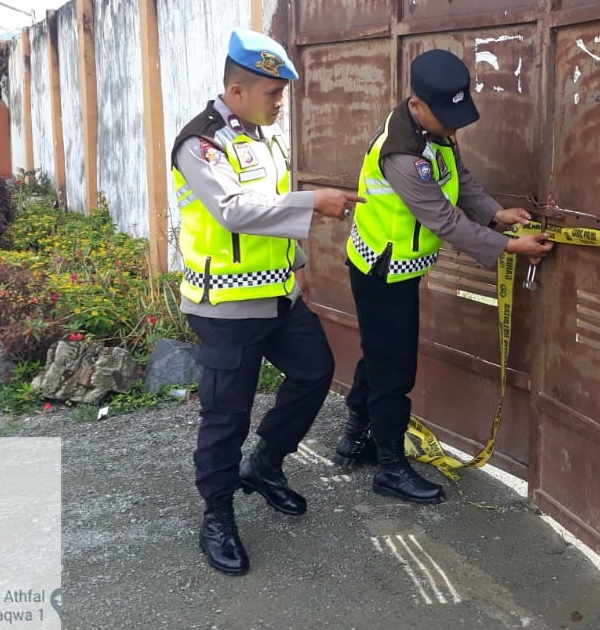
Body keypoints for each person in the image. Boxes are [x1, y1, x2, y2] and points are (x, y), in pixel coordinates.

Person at [172, 29, 363, 575]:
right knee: (225, 413)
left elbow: (272, 208)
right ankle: (217, 513)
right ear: (236, 91)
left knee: (315, 372)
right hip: (225, 307)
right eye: (272, 94)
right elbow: (234, 210)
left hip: (277, 293)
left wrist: (299, 269)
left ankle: (266, 464)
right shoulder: (199, 144)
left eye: (282, 94)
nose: (281, 104)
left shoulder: (263, 136)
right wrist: (313, 202)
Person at [337, 48, 553, 504]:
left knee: (380, 353)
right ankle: (390, 467)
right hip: (382, 268)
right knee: (395, 368)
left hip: (397, 264)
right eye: (447, 117)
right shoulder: (403, 153)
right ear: (417, 105)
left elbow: (461, 181)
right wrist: (512, 246)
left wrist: (498, 214)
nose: (455, 127)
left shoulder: (432, 131)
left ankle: (353, 437)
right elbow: (444, 219)